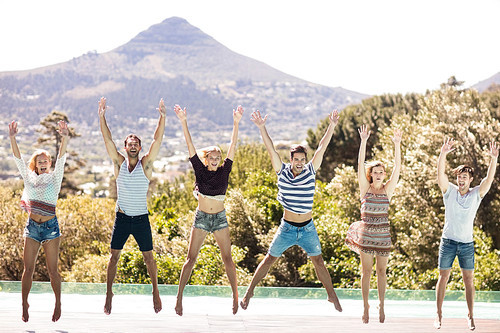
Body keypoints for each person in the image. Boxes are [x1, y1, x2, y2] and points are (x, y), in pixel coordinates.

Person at [240, 109, 343, 313]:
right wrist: (262, 128)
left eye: (302, 160)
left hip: (307, 228)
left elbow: (322, 147)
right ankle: (249, 292)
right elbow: (271, 150)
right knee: (270, 259)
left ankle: (332, 296)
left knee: (319, 261)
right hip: (287, 228)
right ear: (291, 159)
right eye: (296, 159)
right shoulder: (282, 171)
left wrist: (331, 125)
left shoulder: (310, 171)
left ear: (305, 160)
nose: (299, 163)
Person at [173, 104, 243, 316]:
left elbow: (233, 144)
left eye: (217, 158)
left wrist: (236, 123)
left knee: (228, 258)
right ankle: (178, 299)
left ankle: (235, 297)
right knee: (190, 259)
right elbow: (190, 144)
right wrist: (184, 121)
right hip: (202, 218)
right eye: (211, 158)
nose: (215, 160)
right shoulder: (200, 171)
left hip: (220, 219)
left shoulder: (225, 171)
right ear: (206, 159)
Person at [98, 96, 165, 315]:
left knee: (149, 258)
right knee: (113, 257)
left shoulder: (146, 165)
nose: (133, 146)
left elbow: (157, 141)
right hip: (122, 218)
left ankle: (155, 291)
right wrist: (102, 116)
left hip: (141, 220)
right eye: (130, 144)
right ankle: (109, 294)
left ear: (139, 147)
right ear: (125, 147)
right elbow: (107, 140)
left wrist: (162, 117)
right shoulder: (118, 163)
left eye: (136, 144)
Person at [434, 137, 498, 331]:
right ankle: (438, 315)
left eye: (464, 177)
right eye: (459, 177)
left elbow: (488, 180)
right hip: (448, 241)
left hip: (466, 245)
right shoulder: (449, 192)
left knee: (468, 280)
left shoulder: (475, 195)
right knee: (443, 277)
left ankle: (470, 316)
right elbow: (440, 176)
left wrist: (493, 159)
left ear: (470, 180)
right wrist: (443, 154)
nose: (461, 180)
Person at [9, 119, 69, 322]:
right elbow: (18, 159)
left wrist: (65, 138)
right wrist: (12, 138)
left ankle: (58, 302)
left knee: (53, 271)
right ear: (35, 165)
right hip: (32, 227)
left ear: (49, 164)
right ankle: (24, 304)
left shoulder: (55, 177)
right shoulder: (29, 179)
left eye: (46, 162)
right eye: (39, 162)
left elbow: (62, 158)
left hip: (51, 227)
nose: (43, 164)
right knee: (28, 269)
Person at [345, 124, 402, 324]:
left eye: (381, 172)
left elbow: (398, 168)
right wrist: (363, 141)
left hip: (383, 235)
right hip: (367, 235)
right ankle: (365, 306)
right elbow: (360, 165)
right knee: (366, 272)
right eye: (375, 172)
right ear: (372, 174)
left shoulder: (388, 190)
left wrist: (397, 144)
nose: (378, 175)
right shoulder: (365, 188)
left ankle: (382, 304)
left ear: (384, 175)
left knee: (381, 272)